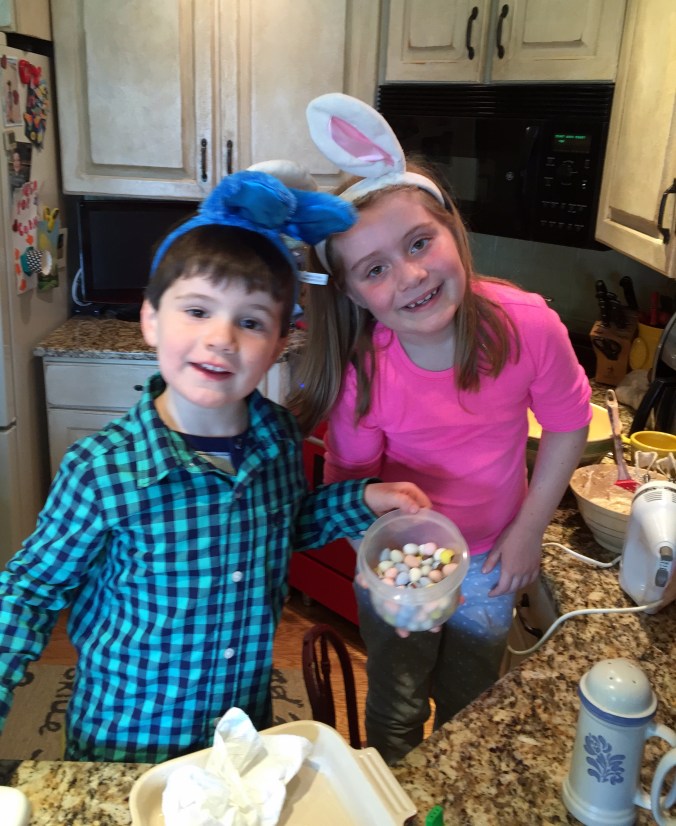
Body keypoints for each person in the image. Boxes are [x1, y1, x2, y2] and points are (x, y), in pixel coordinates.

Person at [0, 168, 431, 763]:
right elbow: (27, 592)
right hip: (127, 745)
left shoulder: (278, 439)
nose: (222, 338)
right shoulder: (101, 471)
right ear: (151, 320)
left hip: (237, 737)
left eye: (250, 322)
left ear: (277, 345)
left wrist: (361, 500)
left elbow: (281, 526)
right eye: (198, 310)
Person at [288, 94, 592, 764]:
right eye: (375, 269)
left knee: (471, 704)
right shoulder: (365, 374)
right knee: (396, 705)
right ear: (351, 292)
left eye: (420, 242)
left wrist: (529, 530)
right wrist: (380, 569)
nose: (412, 275)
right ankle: (398, 796)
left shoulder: (528, 325)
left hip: (492, 561)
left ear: (451, 228)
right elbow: (349, 484)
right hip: (402, 567)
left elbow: (570, 423)